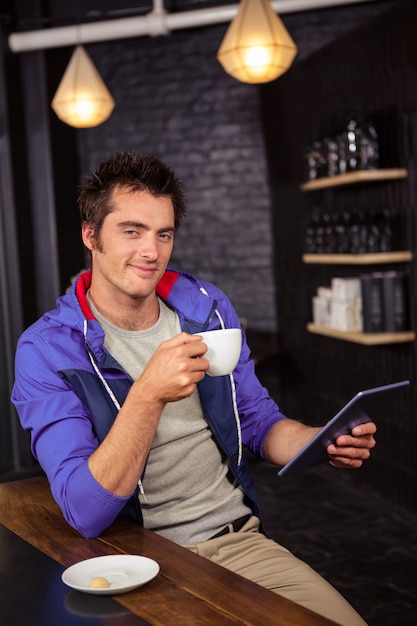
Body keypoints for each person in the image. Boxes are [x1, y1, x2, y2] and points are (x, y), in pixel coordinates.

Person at [12, 151, 376, 625]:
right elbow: (84, 510)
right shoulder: (46, 350)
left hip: (238, 542)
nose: (151, 251)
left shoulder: (206, 308)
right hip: (134, 558)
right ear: (90, 236)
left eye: (163, 234)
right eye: (131, 231)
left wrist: (319, 441)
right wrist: (147, 394)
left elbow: (257, 421)